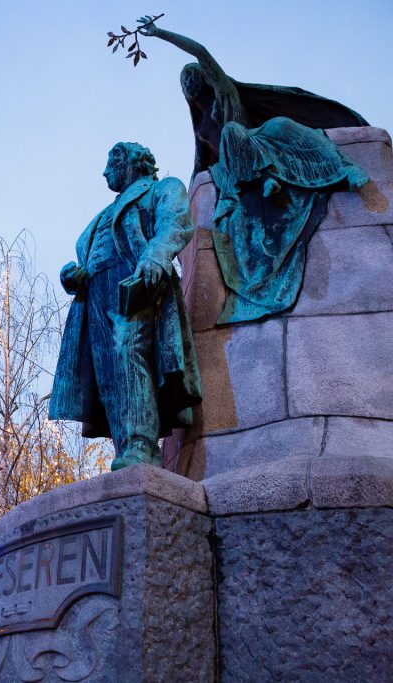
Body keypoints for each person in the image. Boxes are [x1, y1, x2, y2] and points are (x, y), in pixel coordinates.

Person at [49, 143, 201, 470]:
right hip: (95, 294)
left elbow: (175, 224)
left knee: (128, 352)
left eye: (110, 165)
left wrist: (155, 257)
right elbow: (88, 256)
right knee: (107, 375)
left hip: (135, 283)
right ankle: (126, 449)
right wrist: (73, 275)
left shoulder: (162, 189)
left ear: (129, 164)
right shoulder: (101, 216)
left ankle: (141, 446)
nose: (105, 173)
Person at [136, 22, 369, 179]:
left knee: (280, 125)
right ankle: (262, 181)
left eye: (192, 74)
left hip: (259, 141)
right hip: (236, 165)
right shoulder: (201, 129)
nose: (187, 81)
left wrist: (160, 33)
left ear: (204, 77)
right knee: (228, 139)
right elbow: (199, 167)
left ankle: (345, 168)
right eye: (183, 79)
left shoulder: (224, 93)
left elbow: (201, 52)